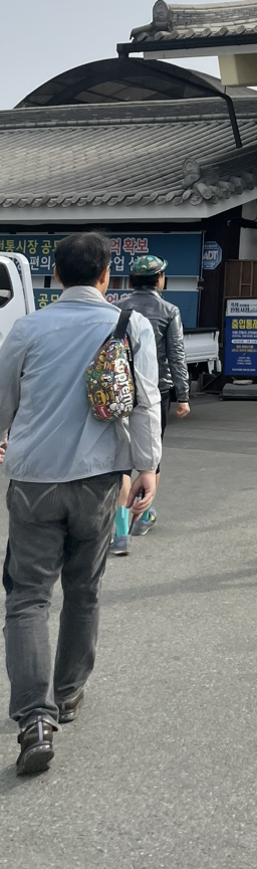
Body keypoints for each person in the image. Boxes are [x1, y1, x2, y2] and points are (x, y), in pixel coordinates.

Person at [0, 231, 161, 776]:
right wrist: (147, 467)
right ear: (105, 275)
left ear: (55, 277)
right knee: (83, 589)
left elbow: (3, 396)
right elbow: (145, 403)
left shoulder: (29, 327)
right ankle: (68, 694)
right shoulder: (130, 325)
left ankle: (34, 719)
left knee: (27, 597)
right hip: (98, 479)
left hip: (33, 479)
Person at [114, 253, 191, 551]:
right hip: (156, 392)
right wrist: (183, 395)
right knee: (151, 456)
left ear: (132, 281)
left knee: (121, 459)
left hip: (120, 391)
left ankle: (121, 531)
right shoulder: (169, 310)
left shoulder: (118, 308)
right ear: (160, 279)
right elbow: (176, 354)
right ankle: (143, 515)